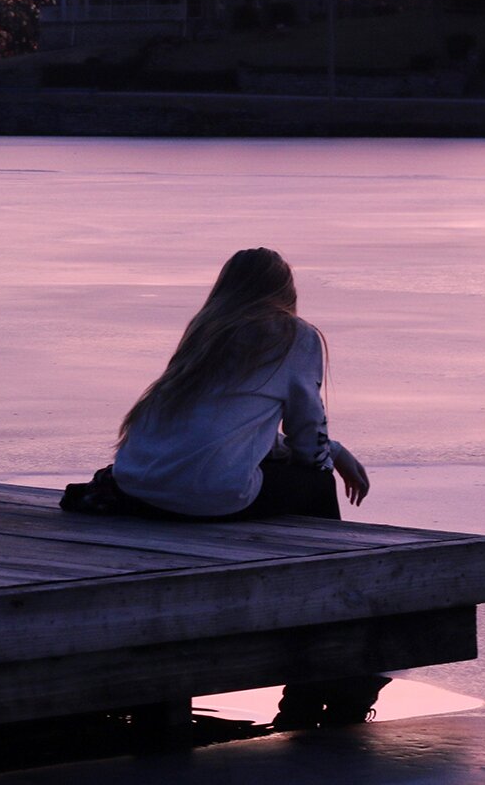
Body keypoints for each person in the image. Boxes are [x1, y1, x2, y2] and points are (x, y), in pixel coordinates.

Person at [60, 247, 388, 729]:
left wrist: (333, 449)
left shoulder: (206, 330)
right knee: (316, 484)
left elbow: (231, 428)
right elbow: (306, 441)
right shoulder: (292, 335)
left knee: (299, 476)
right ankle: (324, 639)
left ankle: (317, 676)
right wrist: (329, 456)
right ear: (285, 290)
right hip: (203, 495)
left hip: (139, 485)